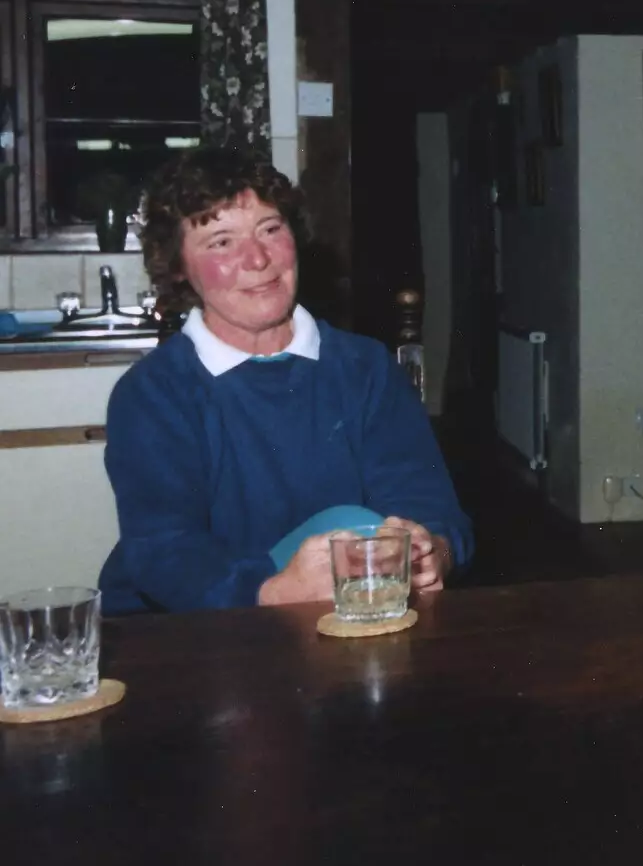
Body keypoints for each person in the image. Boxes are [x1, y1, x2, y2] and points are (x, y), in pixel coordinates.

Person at [99, 148, 473, 615]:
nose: (257, 259)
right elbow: (164, 552)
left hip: (341, 610)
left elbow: (427, 503)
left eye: (270, 229)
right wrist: (271, 590)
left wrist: (431, 549)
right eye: (221, 242)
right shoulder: (153, 393)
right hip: (182, 625)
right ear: (178, 268)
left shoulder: (364, 367)